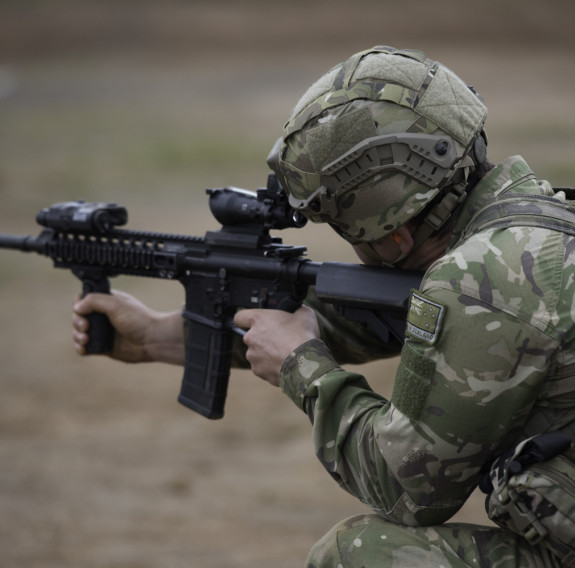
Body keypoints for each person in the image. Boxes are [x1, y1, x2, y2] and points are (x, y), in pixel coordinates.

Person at [73, 46, 575, 567]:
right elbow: (361, 322)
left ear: (397, 237)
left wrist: (303, 367)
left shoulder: (478, 282)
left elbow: (407, 490)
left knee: (357, 554)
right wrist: (158, 336)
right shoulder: (534, 224)